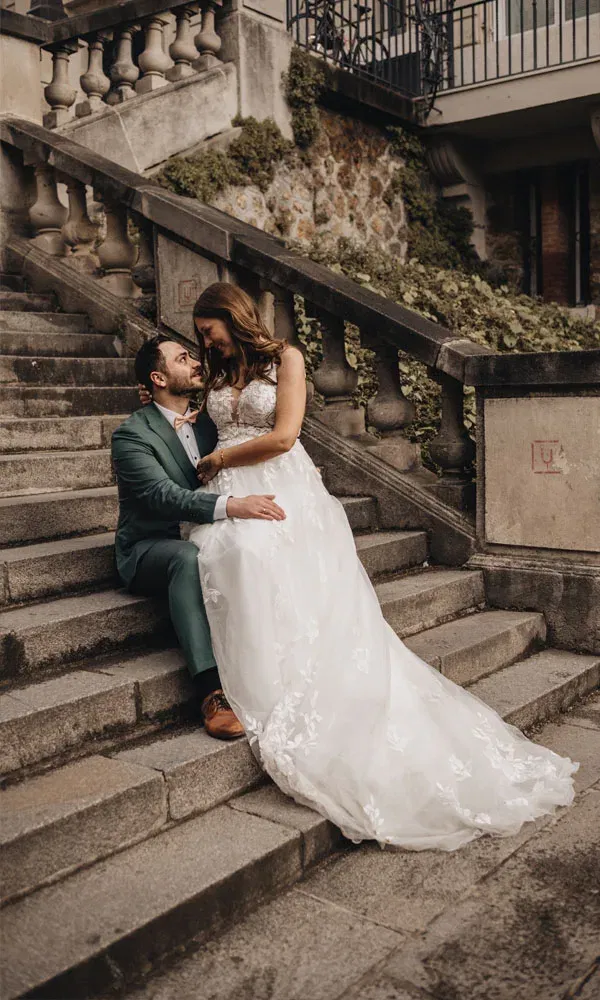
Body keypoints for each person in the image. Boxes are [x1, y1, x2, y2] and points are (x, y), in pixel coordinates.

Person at [164, 283, 577, 850]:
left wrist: (219, 457)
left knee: (269, 562)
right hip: (229, 489)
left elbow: (283, 436)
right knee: (225, 554)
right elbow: (207, 414)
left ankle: (300, 680)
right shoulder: (216, 371)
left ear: (230, 316)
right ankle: (258, 673)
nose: (203, 340)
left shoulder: (286, 359)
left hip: (279, 483)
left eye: (207, 329)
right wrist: (185, 426)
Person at [111, 334, 286, 740]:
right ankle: (211, 692)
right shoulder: (131, 435)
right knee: (187, 558)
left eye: (193, 355)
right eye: (182, 358)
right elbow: (161, 496)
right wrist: (233, 505)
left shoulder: (210, 422)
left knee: (258, 544)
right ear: (157, 379)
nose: (195, 363)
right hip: (153, 545)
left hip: (209, 531)